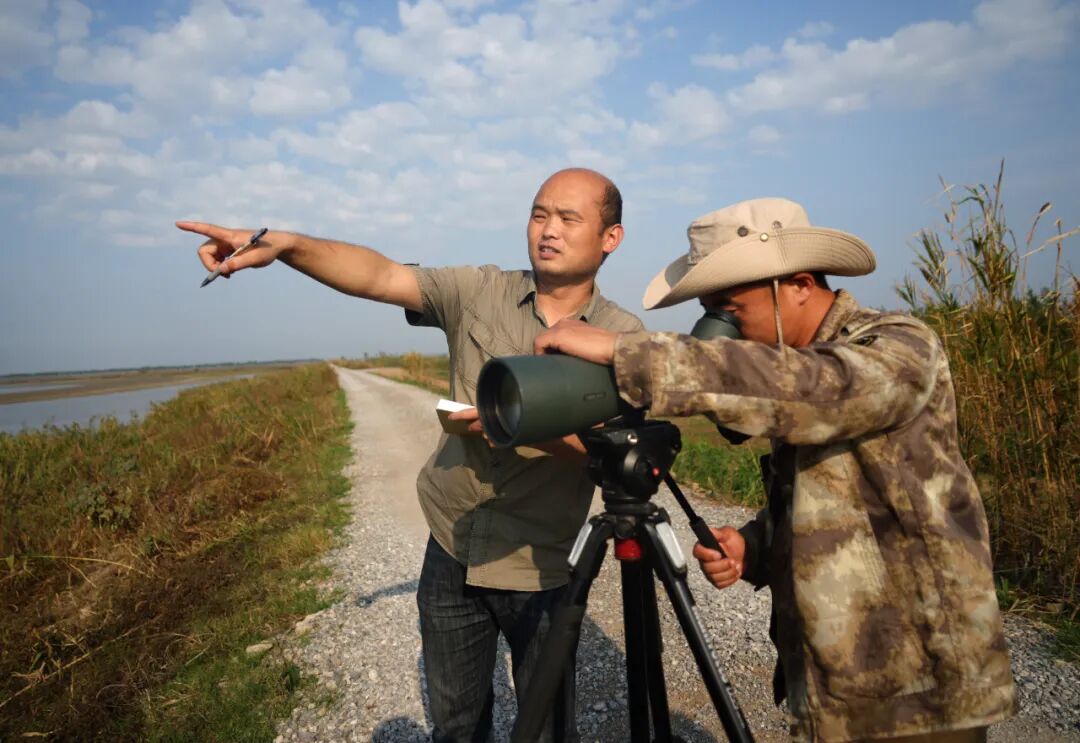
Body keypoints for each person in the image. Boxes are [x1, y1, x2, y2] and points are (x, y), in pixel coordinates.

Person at [176, 168, 644, 742]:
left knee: (546, 729)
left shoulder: (622, 337)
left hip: (540, 564)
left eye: (569, 218)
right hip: (452, 544)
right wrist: (287, 246)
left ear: (610, 237)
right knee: (456, 727)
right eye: (539, 214)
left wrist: (513, 426)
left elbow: (616, 452)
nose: (548, 230)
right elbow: (380, 275)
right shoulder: (479, 290)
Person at [532, 198, 1016, 742]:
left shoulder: (898, 347)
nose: (724, 330)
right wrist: (754, 545)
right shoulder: (798, 369)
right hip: (837, 684)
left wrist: (628, 353)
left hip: (920, 686)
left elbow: (818, 389)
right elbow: (842, 501)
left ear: (801, 285)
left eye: (730, 311)